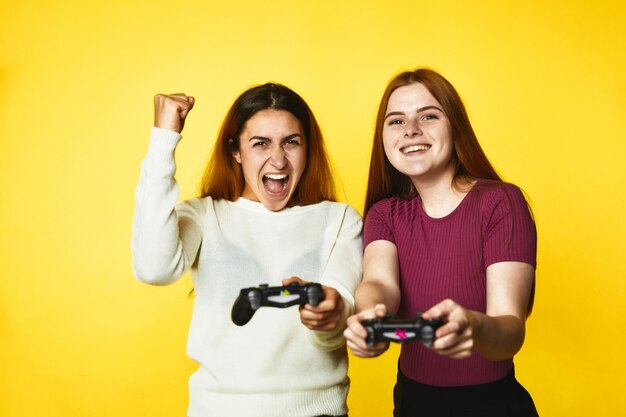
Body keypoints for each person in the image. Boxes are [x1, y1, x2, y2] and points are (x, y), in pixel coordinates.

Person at [131, 83, 362, 417]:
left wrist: (328, 316)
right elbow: (154, 268)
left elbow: (342, 314)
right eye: (260, 143)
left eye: (292, 142)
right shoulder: (205, 216)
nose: (278, 158)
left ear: (308, 148)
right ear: (235, 151)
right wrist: (163, 140)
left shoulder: (340, 220)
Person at [343, 68, 539, 416]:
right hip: (412, 401)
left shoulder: (501, 203)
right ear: (383, 137)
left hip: (493, 404)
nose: (411, 131)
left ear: (455, 126)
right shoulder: (384, 214)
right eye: (396, 121)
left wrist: (475, 327)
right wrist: (370, 315)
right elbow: (378, 283)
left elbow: (510, 328)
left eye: (429, 116)